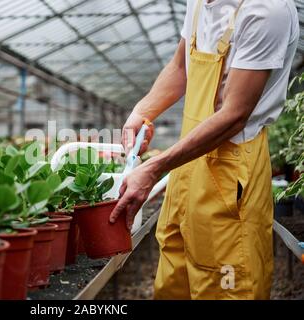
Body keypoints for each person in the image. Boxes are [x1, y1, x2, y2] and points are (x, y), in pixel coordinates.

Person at [109, 0, 299, 299]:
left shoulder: (265, 10)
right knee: (175, 272)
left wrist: (155, 167)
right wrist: (141, 111)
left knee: (226, 280)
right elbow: (180, 67)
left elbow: (235, 115)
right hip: (189, 164)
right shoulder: (199, 3)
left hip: (231, 171)